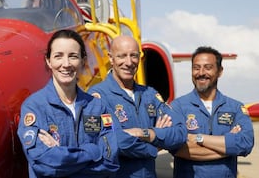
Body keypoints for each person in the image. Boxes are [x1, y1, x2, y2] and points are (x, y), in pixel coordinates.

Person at [17, 29, 119, 178]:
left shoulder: (97, 107)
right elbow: (43, 165)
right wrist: (93, 151)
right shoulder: (34, 107)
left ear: (83, 61)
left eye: (73, 56)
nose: (66, 64)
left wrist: (61, 156)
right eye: (58, 56)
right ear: (48, 61)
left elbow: (110, 162)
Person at [88, 35, 187, 178]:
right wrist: (156, 146)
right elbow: (113, 142)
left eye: (133, 56)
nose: (128, 62)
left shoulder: (150, 95)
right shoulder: (95, 97)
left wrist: (145, 133)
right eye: (122, 56)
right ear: (111, 58)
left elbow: (180, 132)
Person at [170, 46, 254, 178]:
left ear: (220, 71)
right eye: (196, 68)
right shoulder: (177, 107)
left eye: (208, 67)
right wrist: (228, 145)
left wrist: (197, 138)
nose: (201, 73)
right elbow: (177, 148)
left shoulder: (235, 107)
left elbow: (245, 144)